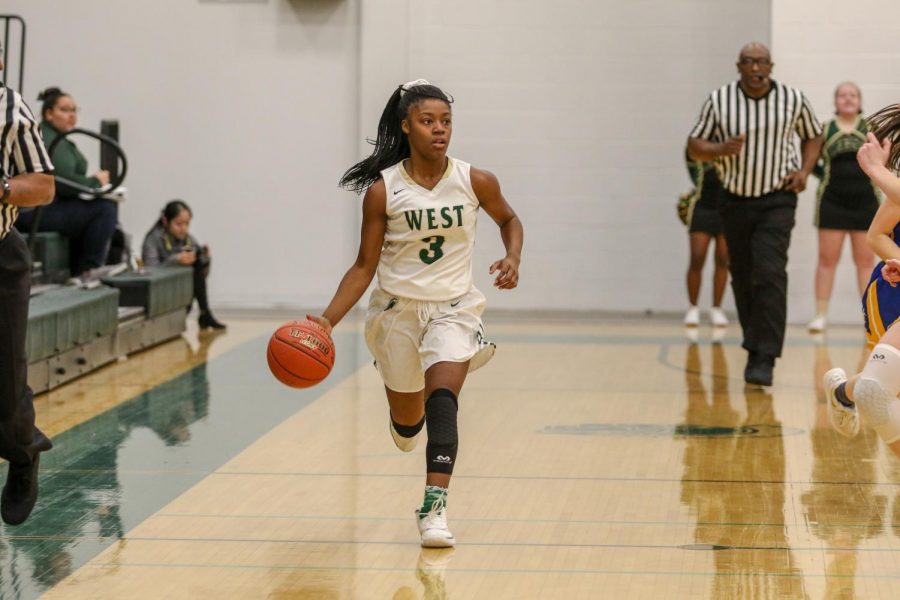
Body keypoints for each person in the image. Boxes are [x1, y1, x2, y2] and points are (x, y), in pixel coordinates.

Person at [307, 79, 523, 547]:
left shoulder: (475, 180)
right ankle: (404, 420)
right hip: (397, 313)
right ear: (407, 127)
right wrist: (326, 320)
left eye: (446, 121)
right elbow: (364, 267)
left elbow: (509, 219)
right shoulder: (384, 191)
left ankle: (434, 510)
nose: (439, 130)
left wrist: (512, 257)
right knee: (409, 424)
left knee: (443, 401)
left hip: (454, 309)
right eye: (428, 122)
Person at [687, 42, 823, 386]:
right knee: (743, 274)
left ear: (771, 65)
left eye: (761, 61)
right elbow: (694, 144)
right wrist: (720, 148)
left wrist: (805, 170)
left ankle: (766, 356)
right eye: (748, 61)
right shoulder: (720, 100)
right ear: (739, 66)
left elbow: (814, 134)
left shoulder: (793, 99)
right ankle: (753, 344)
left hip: (778, 198)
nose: (755, 67)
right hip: (733, 199)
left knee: (770, 271)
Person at [0, 43, 56, 526]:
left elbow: (43, 185)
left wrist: (1, 188)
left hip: (0, 255)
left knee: (4, 383)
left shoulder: (9, 107)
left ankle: (24, 453)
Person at [824, 104, 900, 456]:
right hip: (894, 293)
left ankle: (842, 393)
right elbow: (876, 236)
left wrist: (877, 171)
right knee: (877, 390)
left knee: (881, 389)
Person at [15, 87, 117, 277]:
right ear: (49, 113)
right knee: (105, 209)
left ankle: (83, 268)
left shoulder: (59, 137)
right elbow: (63, 181)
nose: (71, 115)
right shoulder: (46, 136)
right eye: (64, 110)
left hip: (49, 204)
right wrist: (95, 181)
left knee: (101, 209)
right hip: (34, 210)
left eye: (74, 110)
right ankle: (89, 269)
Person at [808, 82, 879, 332]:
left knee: (866, 261)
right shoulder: (824, 129)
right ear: (835, 101)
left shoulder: (871, 128)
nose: (847, 99)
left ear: (859, 101)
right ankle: (820, 316)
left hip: (866, 202)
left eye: (852, 95)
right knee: (827, 260)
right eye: (842, 95)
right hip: (832, 202)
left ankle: (870, 316)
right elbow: (812, 162)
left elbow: (882, 160)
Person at [142, 200, 225, 330]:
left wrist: (206, 259)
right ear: (165, 221)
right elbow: (150, 272)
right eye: (179, 224)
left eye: (187, 224)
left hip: (182, 296)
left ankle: (204, 312)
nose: (184, 228)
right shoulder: (153, 239)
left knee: (197, 263)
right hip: (161, 296)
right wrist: (175, 261)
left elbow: (203, 275)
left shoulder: (188, 239)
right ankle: (204, 313)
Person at [680, 151, 729, 328]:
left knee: (723, 259)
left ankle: (717, 308)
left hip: (727, 208)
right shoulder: (699, 147)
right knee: (697, 257)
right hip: (703, 208)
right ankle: (693, 306)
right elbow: (691, 160)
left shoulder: (733, 144)